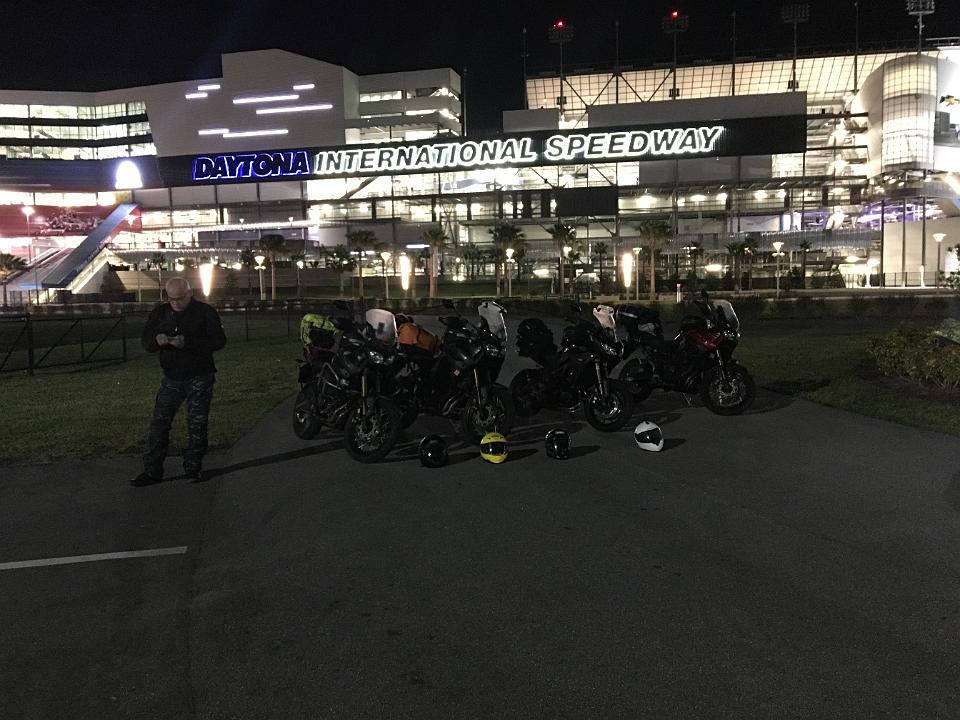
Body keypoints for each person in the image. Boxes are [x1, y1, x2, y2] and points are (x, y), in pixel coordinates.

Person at [132, 277, 226, 486]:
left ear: (189, 294)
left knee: (197, 425)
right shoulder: (160, 313)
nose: (175, 303)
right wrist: (156, 341)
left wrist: (188, 343)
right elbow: (146, 342)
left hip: (199, 375)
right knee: (159, 424)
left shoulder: (205, 312)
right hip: (172, 376)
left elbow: (219, 340)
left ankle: (193, 468)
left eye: (180, 298)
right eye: (171, 299)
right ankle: (152, 470)